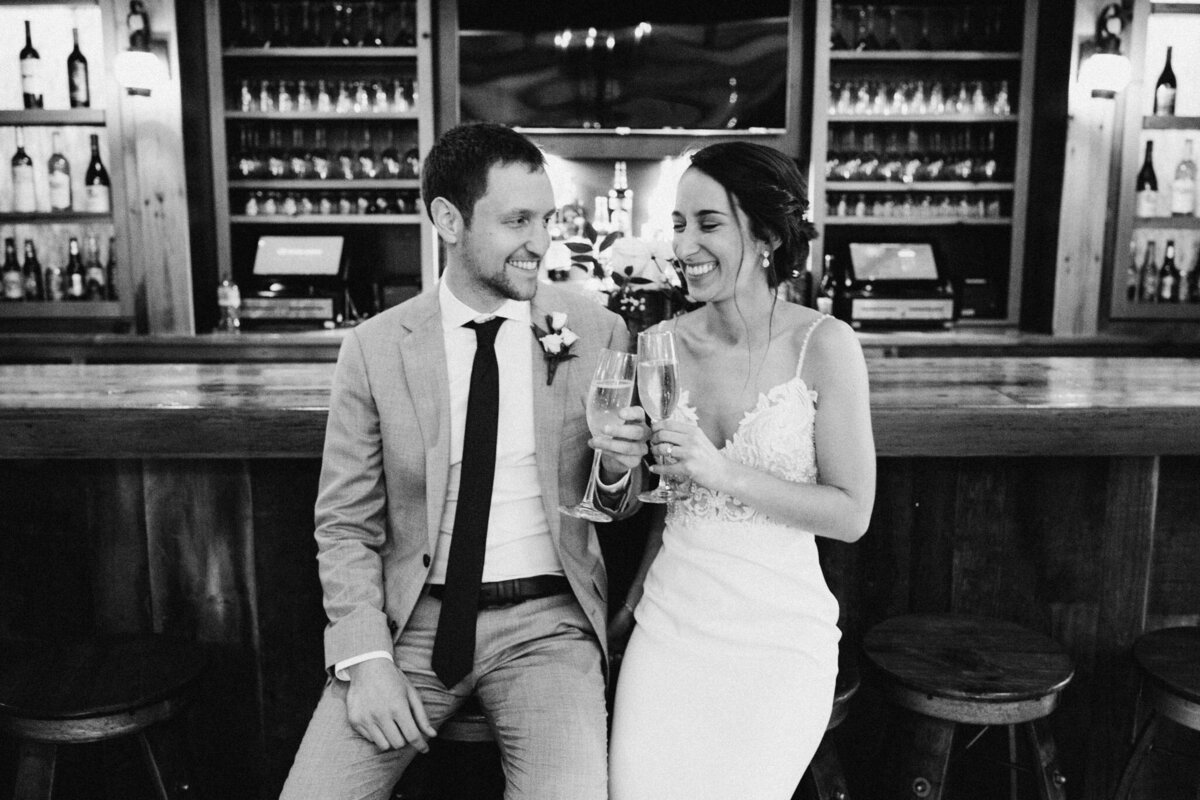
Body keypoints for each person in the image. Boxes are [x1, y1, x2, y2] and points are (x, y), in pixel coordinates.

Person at [281, 122, 649, 800]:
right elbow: (344, 525)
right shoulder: (375, 347)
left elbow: (618, 504)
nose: (541, 241)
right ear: (447, 220)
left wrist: (621, 469)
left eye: (547, 218)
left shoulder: (596, 329)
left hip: (550, 625)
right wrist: (364, 659)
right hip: (414, 624)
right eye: (517, 221)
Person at [608, 141, 876, 799]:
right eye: (677, 224)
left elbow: (851, 514)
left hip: (778, 636)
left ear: (763, 235)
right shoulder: (661, 343)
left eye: (707, 223)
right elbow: (651, 498)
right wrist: (613, 464)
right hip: (671, 624)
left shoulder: (824, 345)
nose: (685, 243)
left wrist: (720, 471)